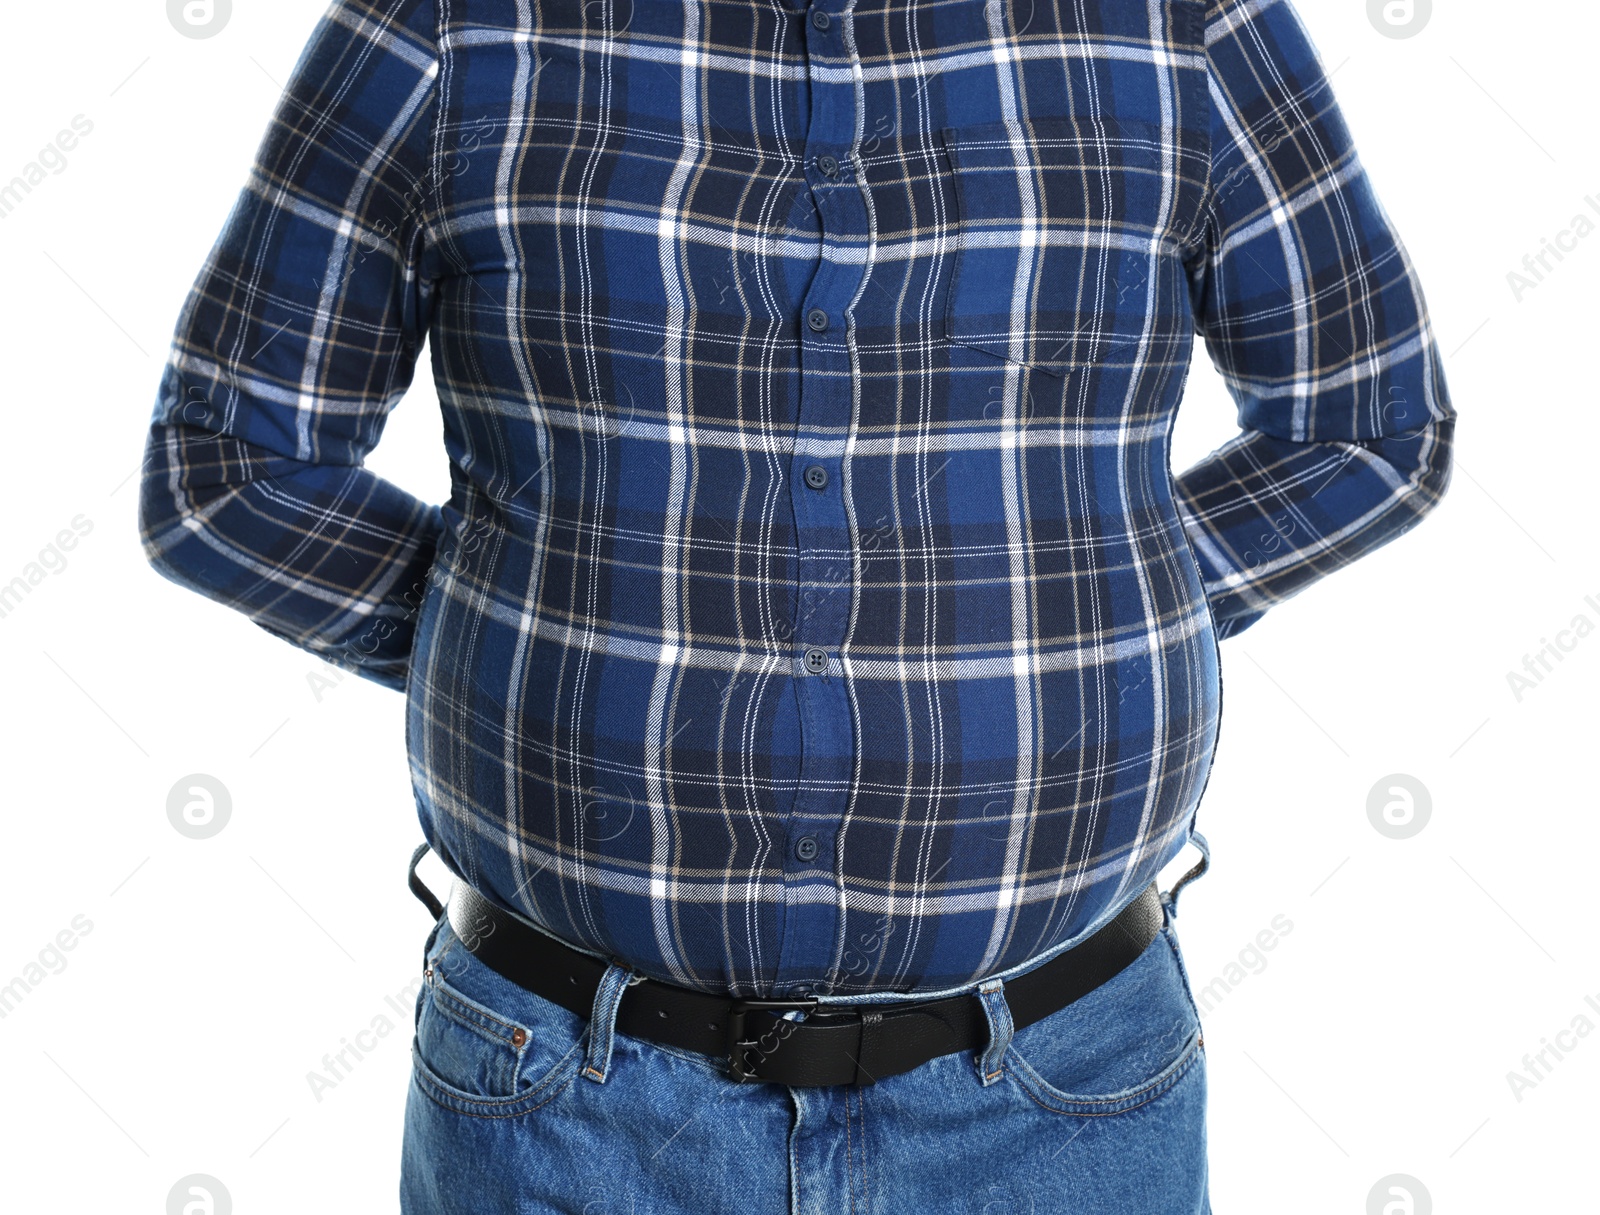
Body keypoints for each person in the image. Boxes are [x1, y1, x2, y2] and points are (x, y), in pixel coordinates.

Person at [137, 0, 1455, 1209]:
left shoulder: (1175, 26)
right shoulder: (456, 27)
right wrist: (499, 638)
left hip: (1058, 1096)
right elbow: (225, 469)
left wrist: (1115, 612)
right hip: (566, 1108)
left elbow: (1372, 422)